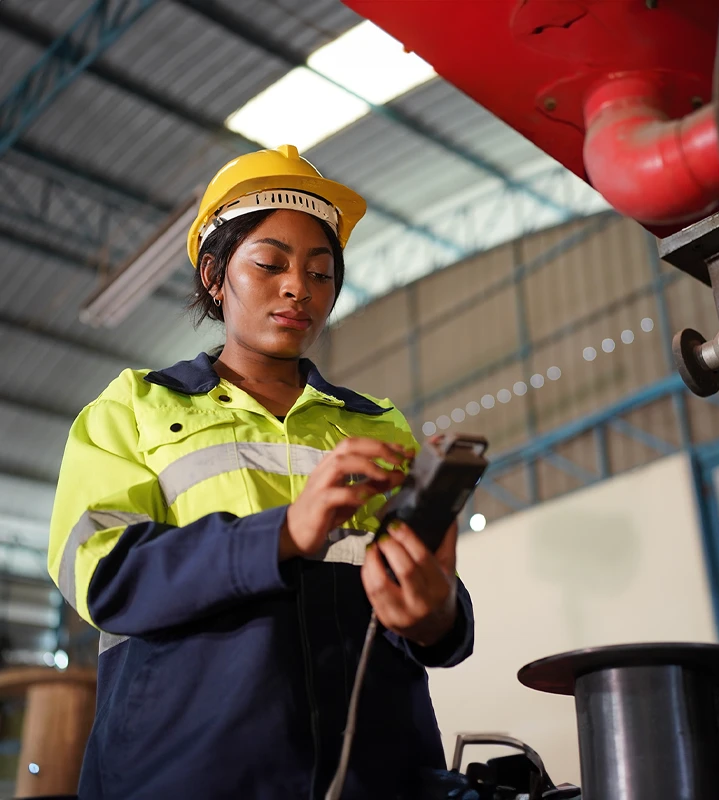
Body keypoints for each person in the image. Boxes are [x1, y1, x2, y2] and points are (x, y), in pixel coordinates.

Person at [48, 145, 474, 800]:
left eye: (322, 272)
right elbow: (103, 574)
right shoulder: (134, 409)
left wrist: (440, 614)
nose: (299, 288)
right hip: (184, 778)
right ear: (215, 277)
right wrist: (281, 533)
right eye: (269, 264)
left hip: (379, 776)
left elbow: (420, 606)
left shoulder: (379, 424)